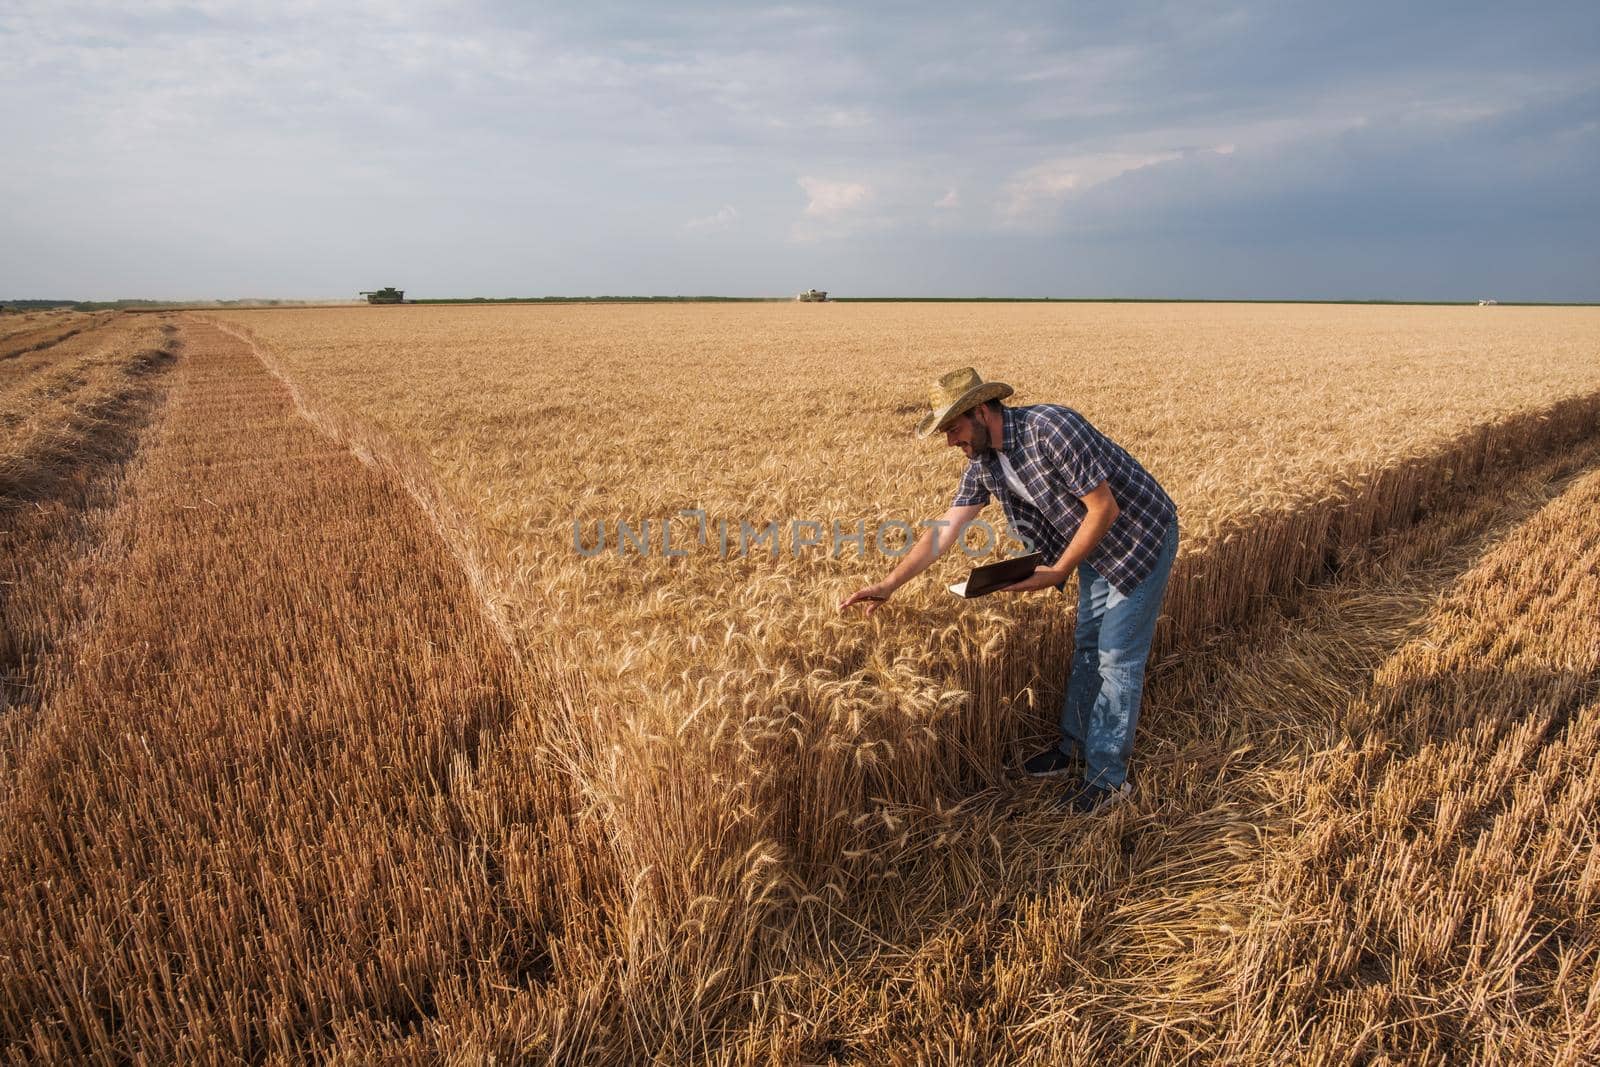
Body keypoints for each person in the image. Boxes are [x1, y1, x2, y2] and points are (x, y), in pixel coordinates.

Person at [839, 367, 1179, 813]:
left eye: (954, 429)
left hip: (1139, 538)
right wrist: (889, 584)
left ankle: (1107, 780)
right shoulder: (984, 462)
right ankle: (1072, 748)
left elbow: (1104, 508)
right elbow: (946, 529)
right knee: (1088, 647)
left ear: (981, 411)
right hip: (1095, 547)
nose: (949, 442)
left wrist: (1057, 572)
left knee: (1117, 657)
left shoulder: (1051, 430)